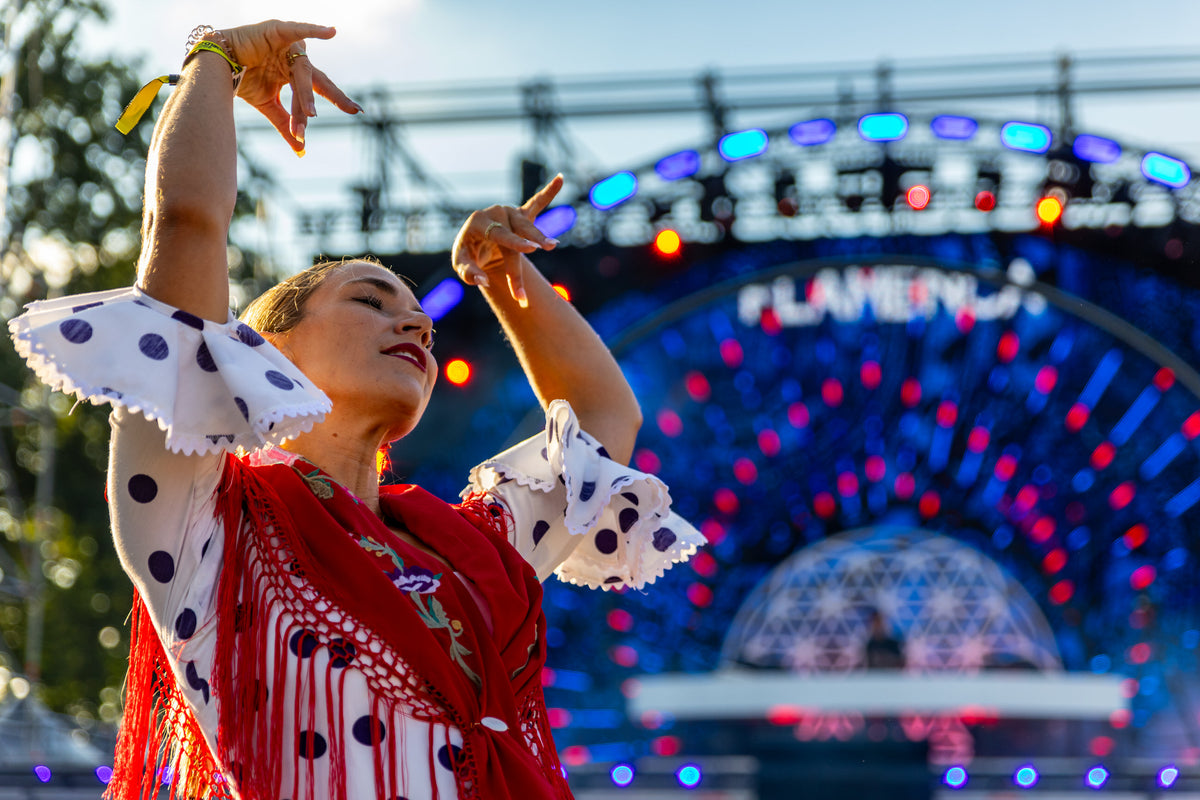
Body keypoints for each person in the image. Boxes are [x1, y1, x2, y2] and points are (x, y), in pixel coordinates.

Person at [8, 20, 702, 800]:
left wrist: (508, 276)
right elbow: (185, 228)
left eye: (423, 322)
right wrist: (217, 61)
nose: (414, 325)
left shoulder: (471, 555)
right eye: (371, 300)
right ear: (266, 349)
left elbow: (606, 423)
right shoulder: (209, 524)